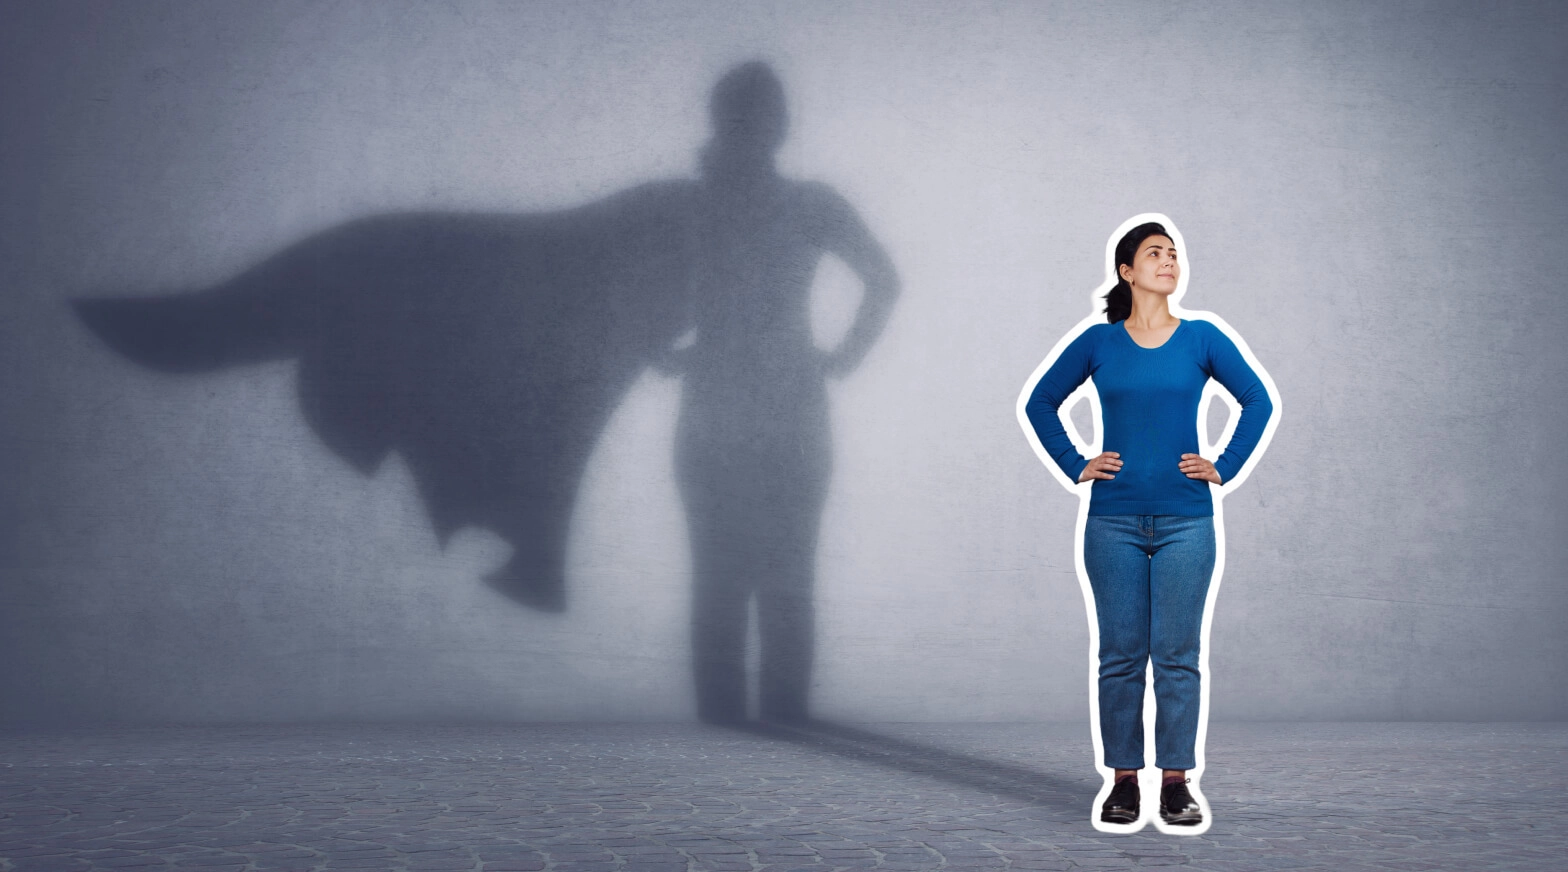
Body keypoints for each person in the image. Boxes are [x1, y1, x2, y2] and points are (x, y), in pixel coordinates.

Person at [657, 62, 899, 724]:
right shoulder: (805, 204)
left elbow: (620, 293)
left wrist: (662, 350)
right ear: (779, 126)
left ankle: (731, 737)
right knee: (782, 577)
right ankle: (780, 731)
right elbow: (885, 279)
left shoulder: (692, 205)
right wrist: (841, 358)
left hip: (722, 403)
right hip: (784, 404)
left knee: (722, 579)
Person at [1021, 218, 1276, 829]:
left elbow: (1258, 400)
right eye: (1155, 253)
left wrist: (1226, 464)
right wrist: (1076, 462)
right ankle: (1124, 782)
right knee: (1120, 655)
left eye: (1174, 253)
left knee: (1178, 655)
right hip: (1113, 522)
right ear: (1127, 271)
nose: (1169, 260)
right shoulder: (1098, 342)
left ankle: (1177, 783)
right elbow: (1039, 402)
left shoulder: (1203, 338)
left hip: (1188, 520)